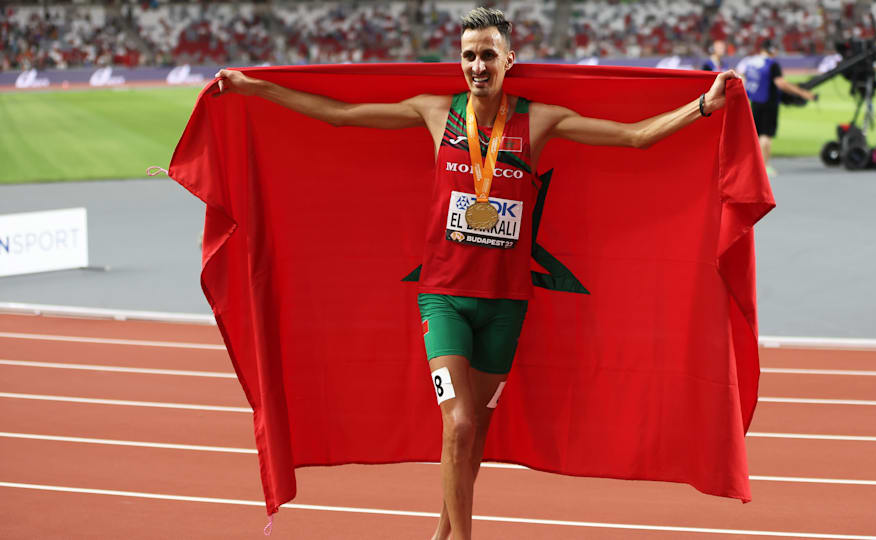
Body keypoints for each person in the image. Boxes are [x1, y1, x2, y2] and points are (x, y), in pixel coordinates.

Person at [215, 7, 738, 540]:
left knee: (475, 433)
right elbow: (342, 115)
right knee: (459, 423)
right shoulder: (435, 111)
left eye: (488, 54)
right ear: (458, 62)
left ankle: (443, 534)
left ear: (510, 59)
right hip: (443, 297)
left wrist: (703, 105)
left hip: (505, 306)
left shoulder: (539, 120)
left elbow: (633, 137)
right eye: (469, 55)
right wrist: (255, 88)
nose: (478, 65)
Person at [738, 38, 816, 177]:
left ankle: (753, 165)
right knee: (766, 136)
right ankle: (765, 166)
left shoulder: (750, 63)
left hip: (755, 101)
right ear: (771, 49)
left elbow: (743, 79)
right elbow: (780, 83)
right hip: (769, 102)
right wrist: (802, 93)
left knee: (756, 134)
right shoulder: (772, 64)